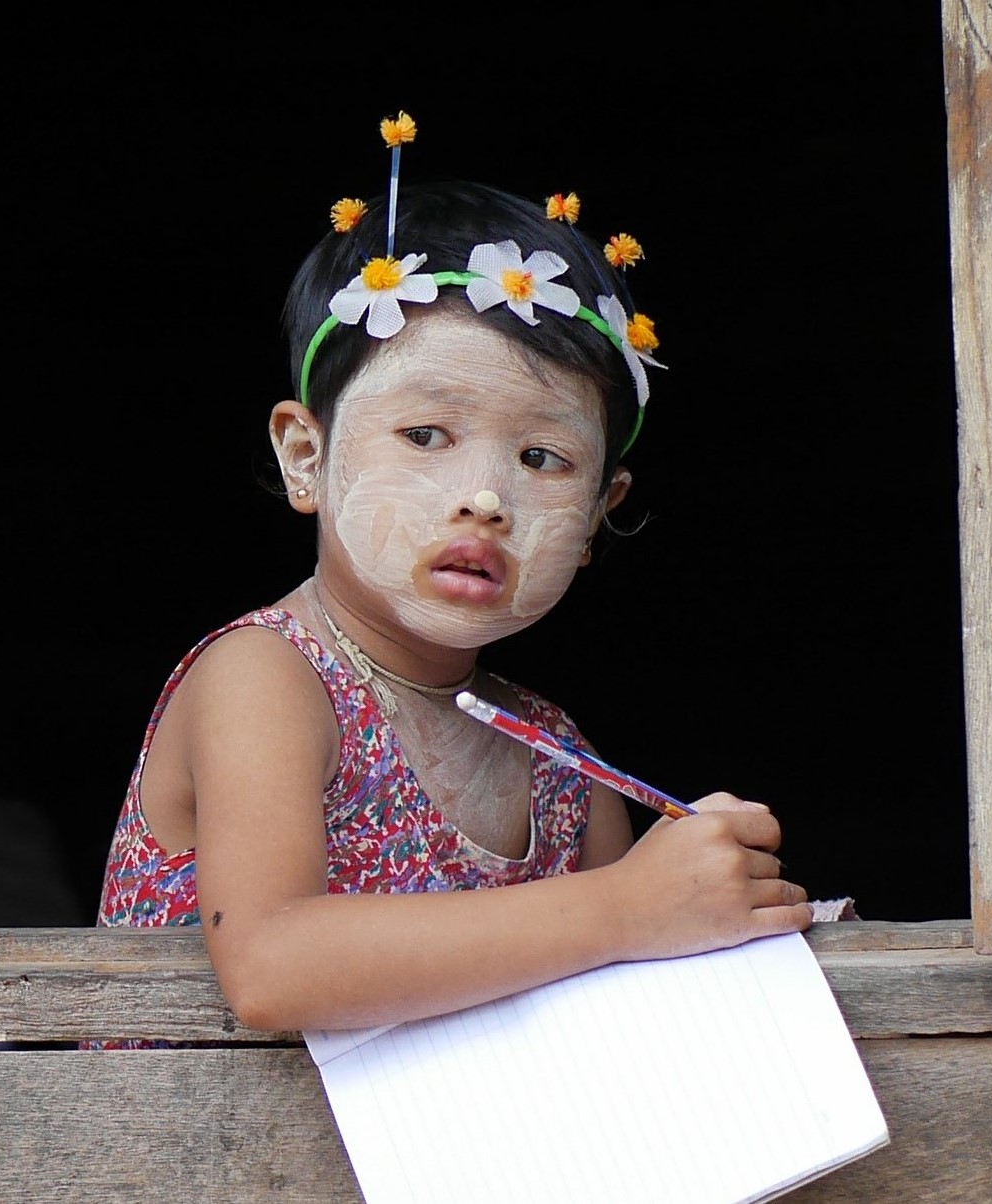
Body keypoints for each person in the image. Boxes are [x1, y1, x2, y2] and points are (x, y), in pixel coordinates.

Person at [94, 114, 812, 1036]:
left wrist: (719, 900)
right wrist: (629, 909)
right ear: (304, 457)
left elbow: (625, 1013)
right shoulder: (267, 679)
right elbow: (272, 968)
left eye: (544, 458)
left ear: (600, 513)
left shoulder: (561, 766)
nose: (485, 499)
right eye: (426, 435)